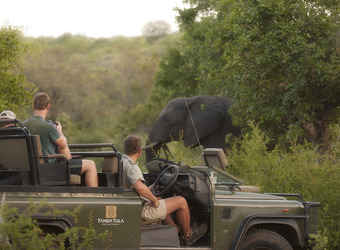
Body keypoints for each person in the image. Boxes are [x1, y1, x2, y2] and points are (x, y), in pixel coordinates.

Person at [122, 135, 207, 246]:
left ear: (125, 149)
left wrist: (149, 190)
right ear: (140, 150)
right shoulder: (131, 166)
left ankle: (175, 231)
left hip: (133, 205)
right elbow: (138, 187)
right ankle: (188, 236)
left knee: (159, 197)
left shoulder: (122, 160)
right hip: (141, 210)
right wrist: (154, 200)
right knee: (181, 201)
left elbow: (134, 187)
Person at [23, 92, 98, 187]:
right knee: (91, 164)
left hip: (31, 168)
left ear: (33, 106)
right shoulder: (49, 127)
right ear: (48, 107)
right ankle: (94, 198)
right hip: (51, 168)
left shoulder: (23, 125)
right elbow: (63, 145)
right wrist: (60, 131)